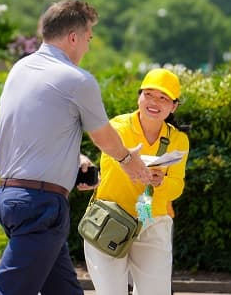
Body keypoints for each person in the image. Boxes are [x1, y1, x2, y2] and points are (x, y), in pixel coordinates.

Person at [0, 0, 152, 295]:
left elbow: (24, 130)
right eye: (88, 39)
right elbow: (103, 136)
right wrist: (130, 162)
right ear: (73, 37)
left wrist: (72, 158)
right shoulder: (76, 79)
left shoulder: (20, 70)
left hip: (11, 197)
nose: (88, 47)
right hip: (41, 204)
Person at [83, 68, 190, 295]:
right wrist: (133, 165)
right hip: (111, 219)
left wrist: (161, 182)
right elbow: (111, 166)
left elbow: (177, 186)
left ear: (174, 106)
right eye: (149, 94)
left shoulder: (179, 140)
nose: (154, 102)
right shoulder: (118, 127)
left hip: (151, 220)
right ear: (139, 96)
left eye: (163, 98)